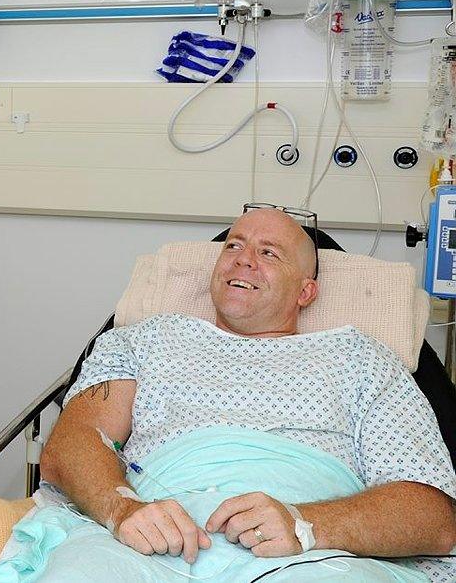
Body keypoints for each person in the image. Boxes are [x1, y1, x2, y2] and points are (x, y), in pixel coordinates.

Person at [35, 207, 456, 580]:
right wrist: (122, 509)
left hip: (313, 557)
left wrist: (304, 524)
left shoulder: (362, 360)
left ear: (306, 291)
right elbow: (73, 443)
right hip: (151, 538)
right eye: (234, 245)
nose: (244, 259)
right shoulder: (146, 340)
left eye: (269, 253)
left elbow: (430, 515)